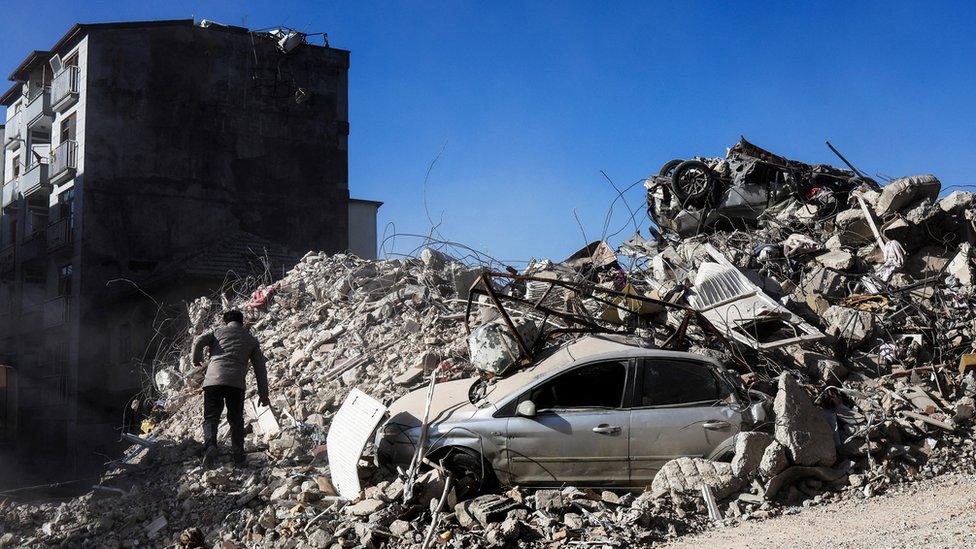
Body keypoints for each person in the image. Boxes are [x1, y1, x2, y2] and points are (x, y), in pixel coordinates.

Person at [191, 309, 270, 468]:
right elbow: (260, 369)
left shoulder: (217, 332)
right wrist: (263, 395)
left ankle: (211, 445)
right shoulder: (251, 340)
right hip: (236, 384)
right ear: (241, 322)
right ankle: (238, 457)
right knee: (236, 420)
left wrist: (196, 358)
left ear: (226, 321)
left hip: (213, 381)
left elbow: (199, 340)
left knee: (211, 418)